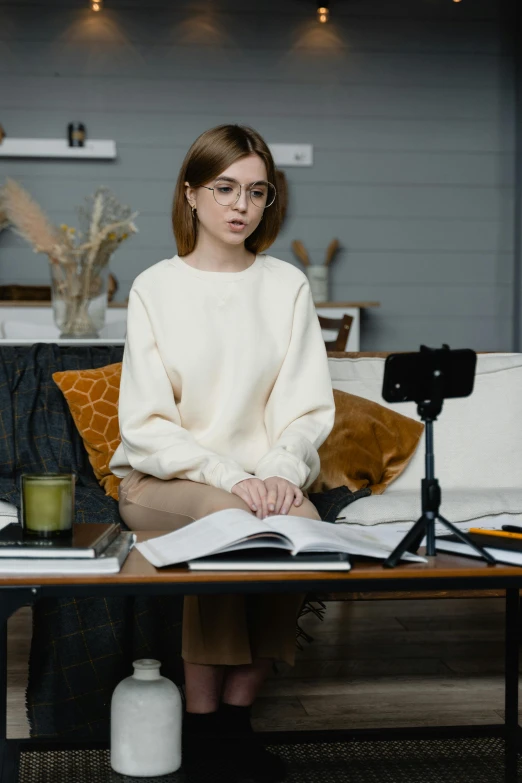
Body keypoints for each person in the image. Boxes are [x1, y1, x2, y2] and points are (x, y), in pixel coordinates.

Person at [109, 124, 335, 782]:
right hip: (163, 483)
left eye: (257, 191)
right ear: (191, 195)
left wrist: (279, 476)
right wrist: (236, 478)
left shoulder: (286, 286)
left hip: (264, 479)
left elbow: (306, 410)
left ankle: (236, 720)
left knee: (302, 529)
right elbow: (146, 424)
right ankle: (205, 730)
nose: (241, 205)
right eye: (225, 188)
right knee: (227, 523)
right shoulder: (156, 287)